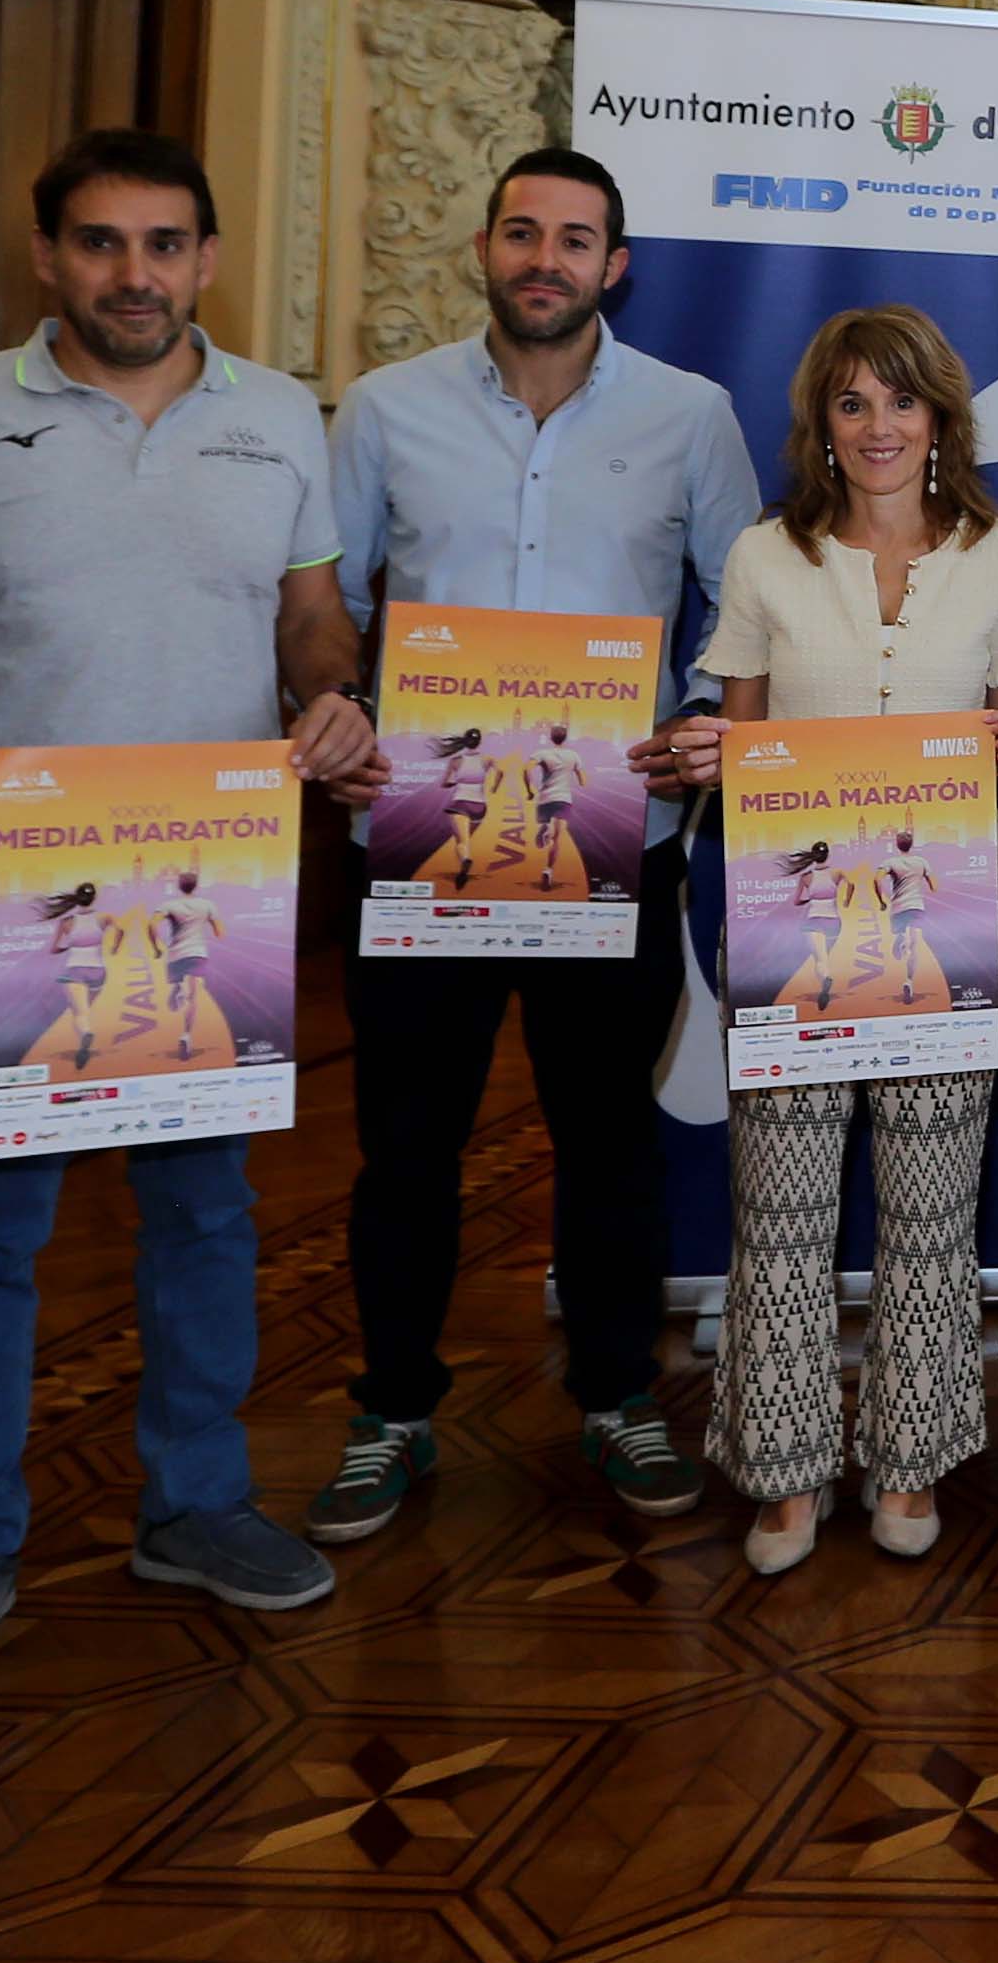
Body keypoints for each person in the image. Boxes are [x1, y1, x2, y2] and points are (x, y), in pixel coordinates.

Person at [0, 129, 379, 1708]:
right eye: (100, 242)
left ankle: (195, 1503)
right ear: (48, 257)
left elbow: (310, 615)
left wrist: (336, 695)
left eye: (165, 245)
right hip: (5, 876)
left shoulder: (281, 416)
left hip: (209, 873)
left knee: (206, 1215)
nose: (134, 275)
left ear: (207, 259)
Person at [307, 148, 760, 1545]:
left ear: (614, 265)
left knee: (608, 1138)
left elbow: (740, 612)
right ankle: (393, 1409)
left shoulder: (691, 415)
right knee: (407, 1145)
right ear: (486, 248)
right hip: (422, 841)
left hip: (615, 837)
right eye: (522, 232)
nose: (544, 259)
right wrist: (337, 709)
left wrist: (702, 720)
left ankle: (617, 1394)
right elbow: (328, 603)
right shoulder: (385, 408)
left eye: (574, 239)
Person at [674, 305, 998, 1572]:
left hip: (948, 916)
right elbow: (739, 745)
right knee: (778, 1207)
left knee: (934, 1210)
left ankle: (909, 1459)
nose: (878, 426)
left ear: (940, 417)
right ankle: (786, 1473)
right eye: (852, 403)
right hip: (793, 923)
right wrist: (708, 757)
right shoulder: (763, 555)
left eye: (900, 400)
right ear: (821, 425)